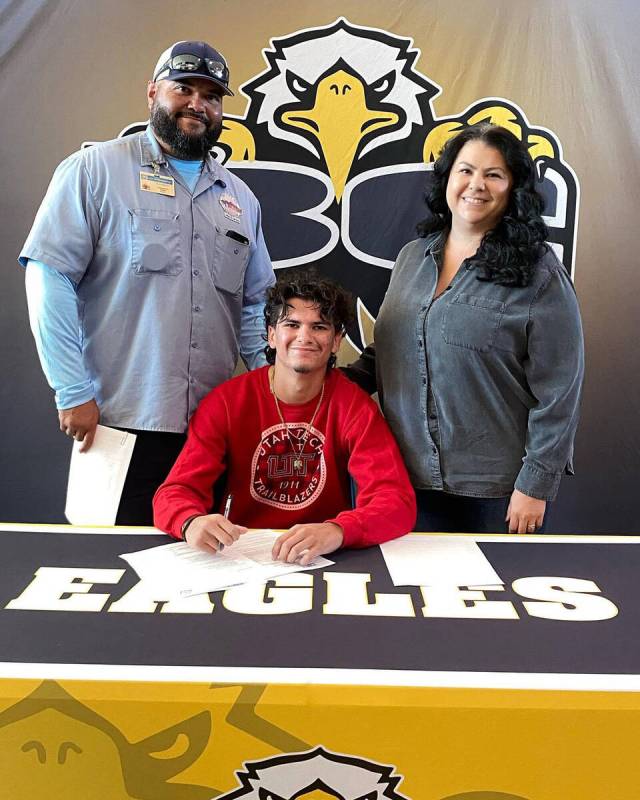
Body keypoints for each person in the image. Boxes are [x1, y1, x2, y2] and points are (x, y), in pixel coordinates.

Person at [19, 41, 275, 524]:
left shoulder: (240, 199)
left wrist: (273, 388)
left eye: (211, 96)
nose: (197, 104)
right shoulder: (94, 171)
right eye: (184, 89)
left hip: (211, 428)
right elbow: (48, 277)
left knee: (202, 568)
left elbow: (254, 304)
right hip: (119, 420)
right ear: (153, 91)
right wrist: (71, 390)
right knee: (111, 568)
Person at [346, 123, 584, 535]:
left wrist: (535, 485)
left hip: (498, 493)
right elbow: (387, 352)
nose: (477, 185)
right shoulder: (412, 258)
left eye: (494, 175)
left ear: (513, 189)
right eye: (466, 170)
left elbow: (560, 390)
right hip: (405, 482)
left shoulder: (538, 272)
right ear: (448, 179)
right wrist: (315, 386)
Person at [153, 274, 416, 564]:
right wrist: (190, 522)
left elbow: (395, 501)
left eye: (319, 327)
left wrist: (338, 530)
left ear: (336, 341)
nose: (304, 336)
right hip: (239, 554)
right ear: (271, 335)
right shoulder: (226, 402)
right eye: (292, 324)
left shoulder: (355, 407)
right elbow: (176, 491)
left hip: (319, 556)